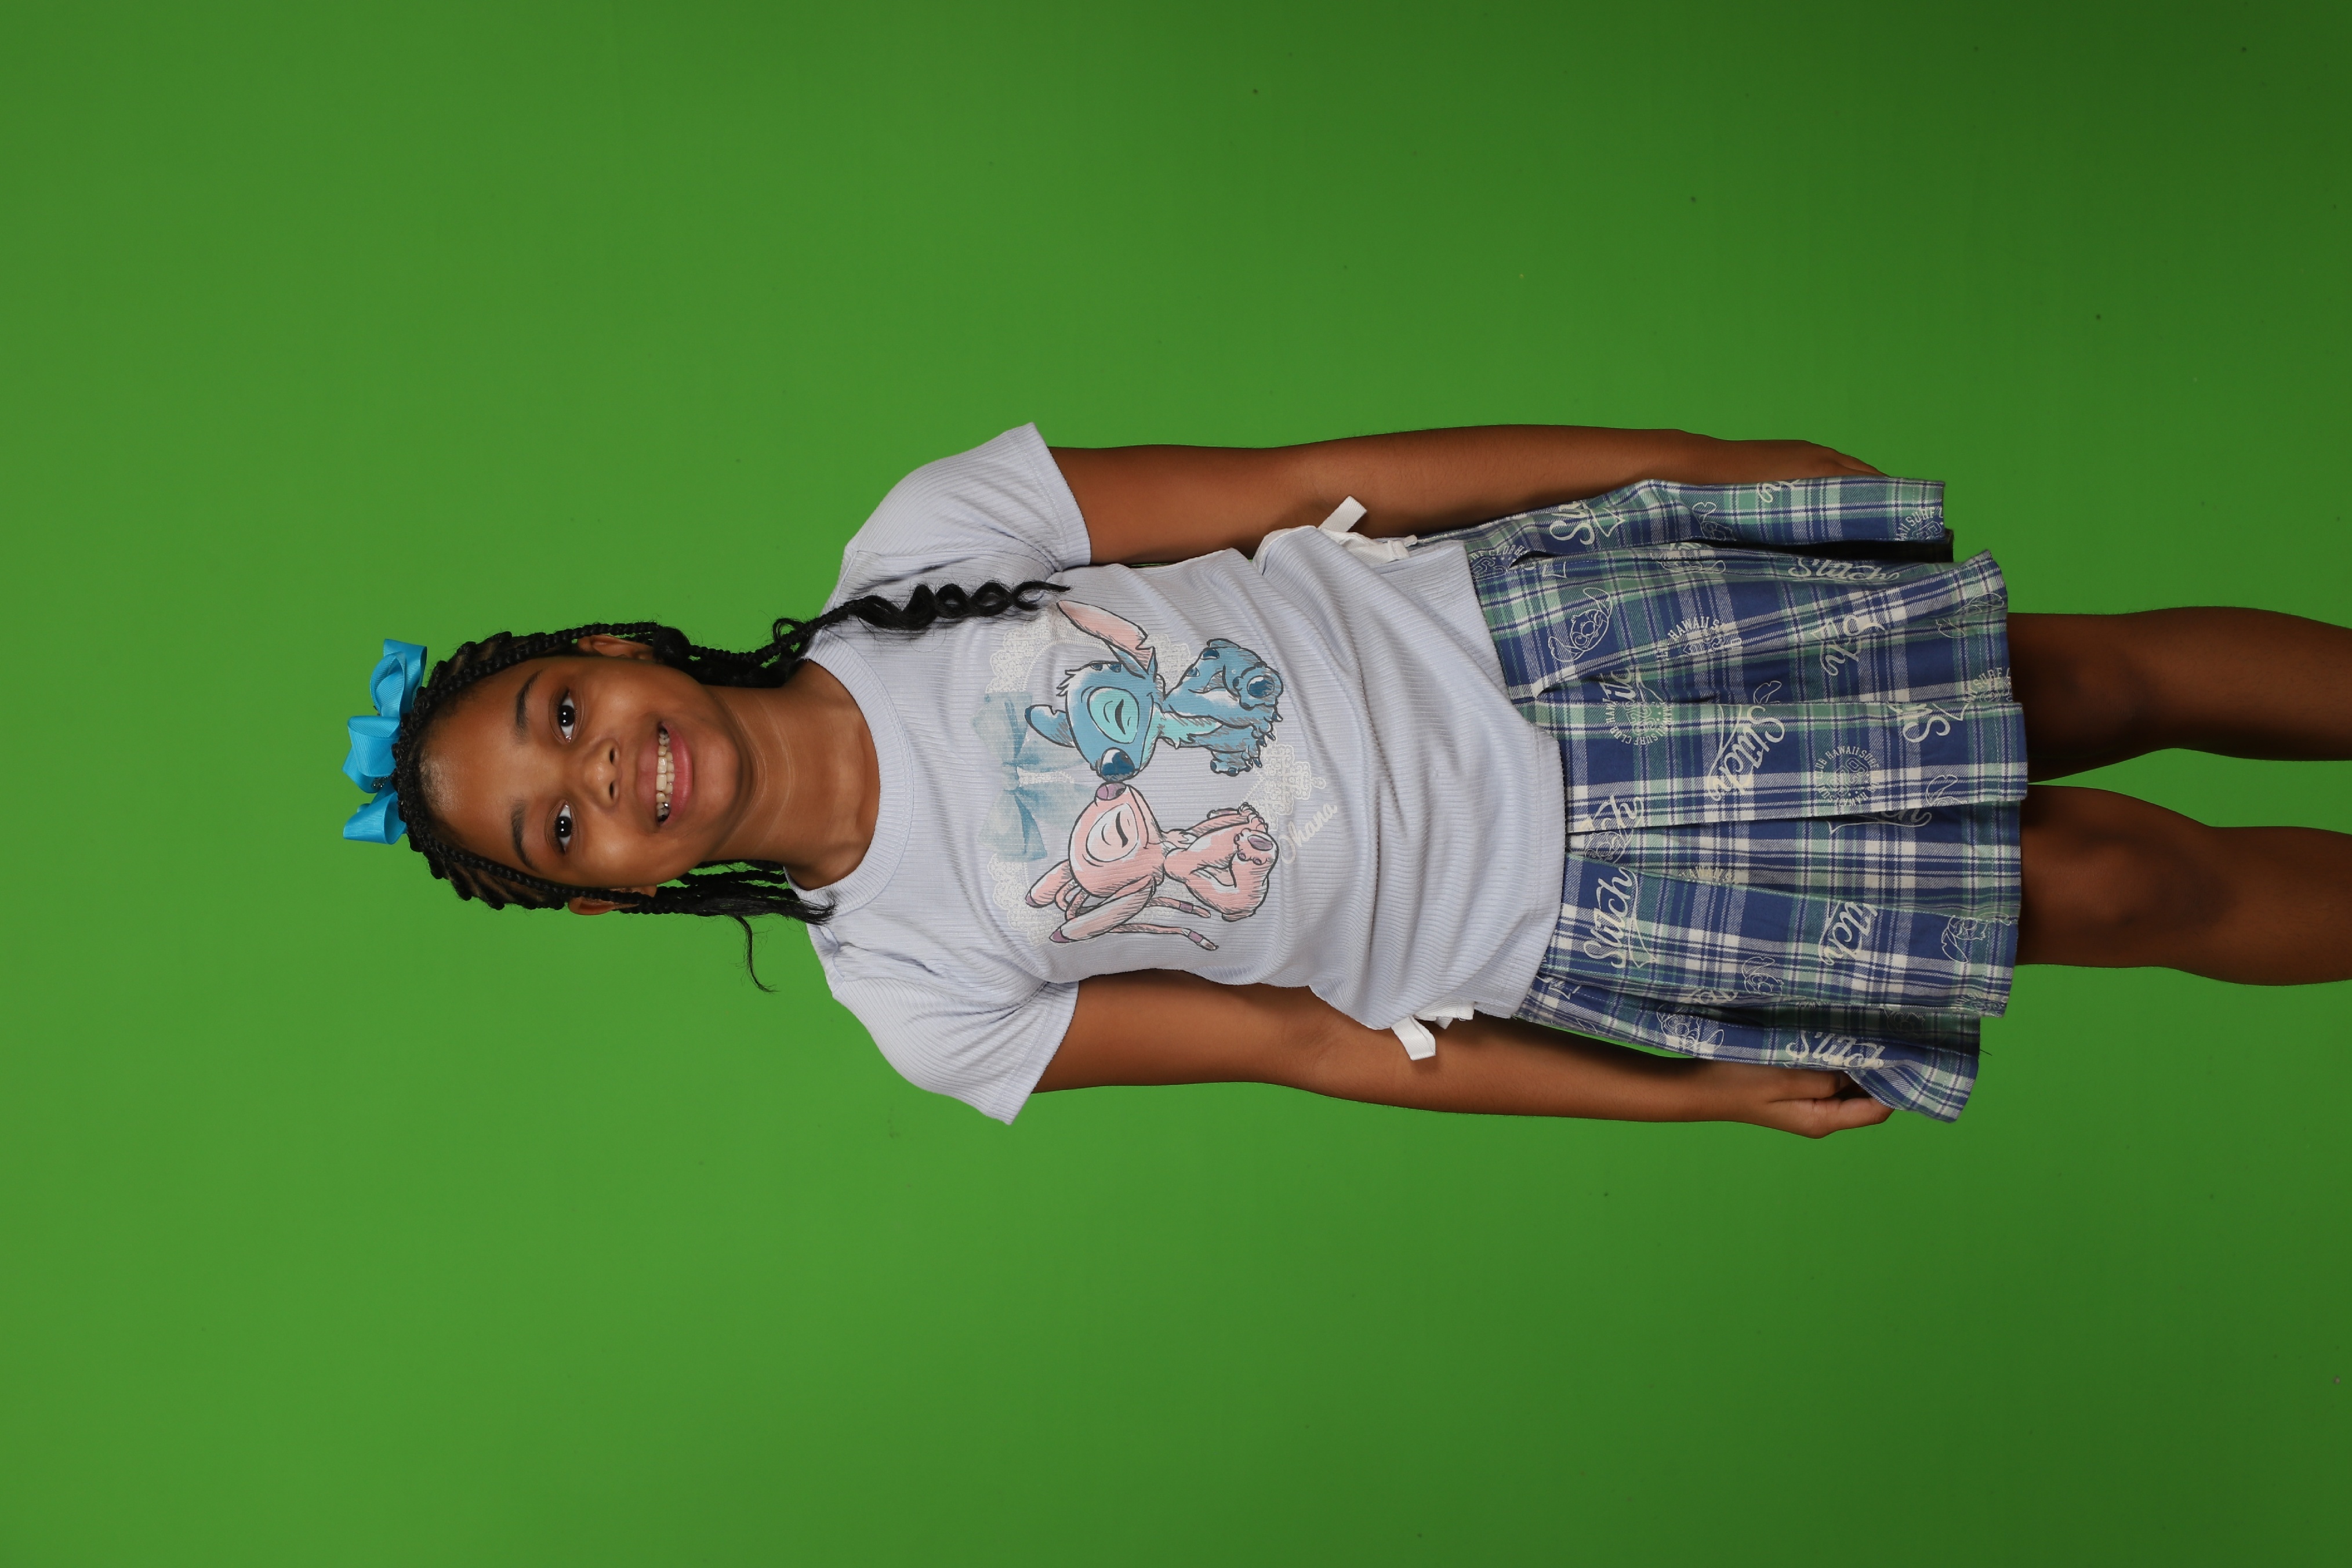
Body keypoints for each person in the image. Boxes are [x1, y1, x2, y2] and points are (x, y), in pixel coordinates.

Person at [336, 424, 2352, 1138]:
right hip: (1573, 915)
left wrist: (1682, 463)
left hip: (1561, 636)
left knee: (2081, 679)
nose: (608, 772)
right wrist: (1685, 1097)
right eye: (558, 821)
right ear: (602, 891)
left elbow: (1328, 475)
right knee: (2109, 889)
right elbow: (1309, 1047)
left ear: (610, 652)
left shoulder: (926, 539)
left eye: (563, 715)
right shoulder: (921, 997)